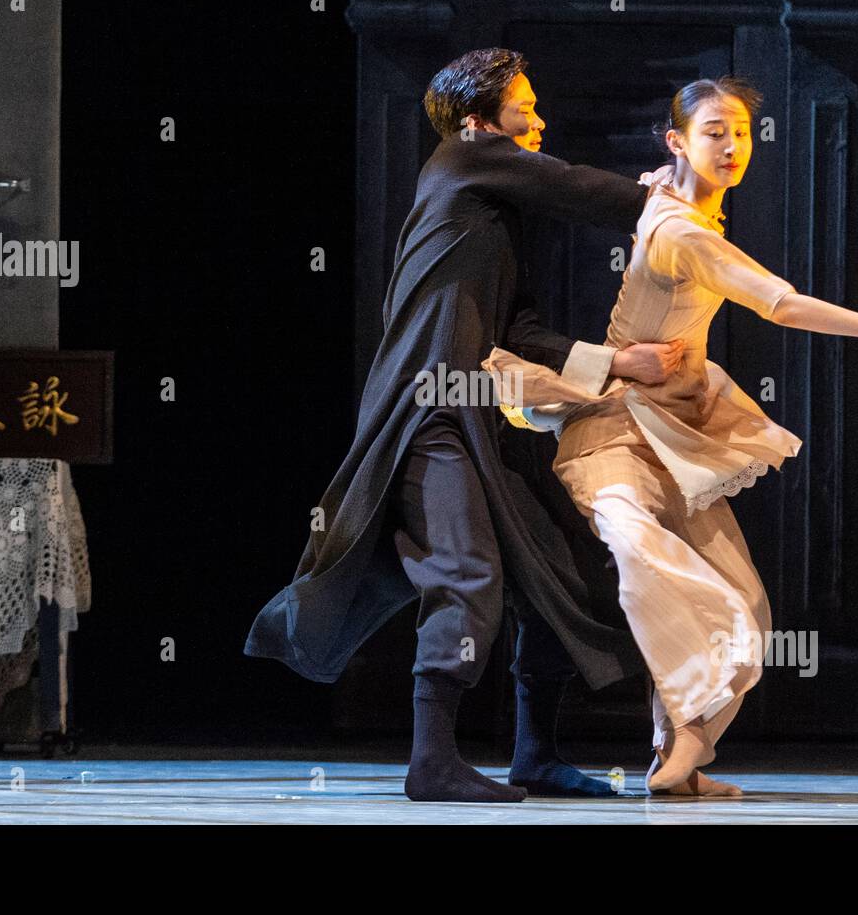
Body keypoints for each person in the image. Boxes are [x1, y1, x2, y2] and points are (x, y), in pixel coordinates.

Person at [482, 76, 858, 796]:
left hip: (673, 430)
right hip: (613, 430)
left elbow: (660, 199)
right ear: (678, 140)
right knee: (639, 548)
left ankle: (679, 754)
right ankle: (684, 729)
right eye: (715, 132)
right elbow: (780, 302)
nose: (733, 146)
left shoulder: (680, 206)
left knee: (744, 598)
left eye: (740, 132)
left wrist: (664, 182)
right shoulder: (680, 230)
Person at [245, 48, 679, 802]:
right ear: (480, 125)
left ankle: (535, 753)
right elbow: (574, 187)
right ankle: (431, 760)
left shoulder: (491, 211)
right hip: (427, 412)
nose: (539, 122)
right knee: (466, 571)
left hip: (477, 409)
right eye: (526, 110)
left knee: (562, 566)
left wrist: (618, 361)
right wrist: (665, 199)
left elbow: (524, 332)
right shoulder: (461, 162)